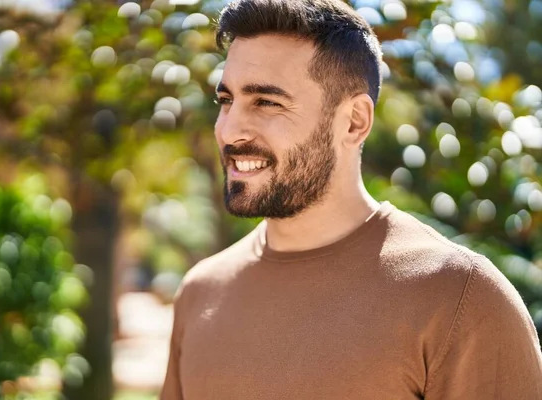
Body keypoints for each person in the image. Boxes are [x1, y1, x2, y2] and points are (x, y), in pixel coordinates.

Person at [160, 0, 542, 398]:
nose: (230, 130)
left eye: (267, 102)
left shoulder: (461, 298)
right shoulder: (200, 292)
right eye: (226, 100)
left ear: (354, 121)